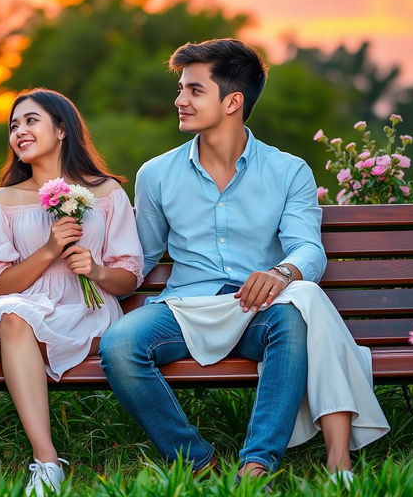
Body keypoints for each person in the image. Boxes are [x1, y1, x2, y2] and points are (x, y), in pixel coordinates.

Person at [99, 38, 389, 488]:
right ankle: (197, 462)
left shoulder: (288, 171)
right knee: (120, 346)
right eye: (180, 89)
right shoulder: (156, 173)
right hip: (183, 307)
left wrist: (279, 273)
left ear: (232, 101)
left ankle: (257, 466)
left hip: (257, 311)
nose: (180, 100)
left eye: (194, 90)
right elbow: (142, 255)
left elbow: (308, 250)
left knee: (293, 319)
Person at [0, 89, 144, 497]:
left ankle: (46, 463)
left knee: (9, 314)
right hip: (15, 311)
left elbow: (129, 278)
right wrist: (49, 250)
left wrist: (95, 269)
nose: (20, 131)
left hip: (82, 312)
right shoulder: (2, 201)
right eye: (14, 126)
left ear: (62, 129)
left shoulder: (105, 194)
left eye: (31, 121)